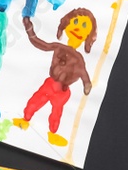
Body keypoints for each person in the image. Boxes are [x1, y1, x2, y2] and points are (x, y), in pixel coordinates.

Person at [13, 8, 97, 146]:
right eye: (75, 22)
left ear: (88, 35)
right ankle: (25, 119)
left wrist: (87, 85)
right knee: (35, 102)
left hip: (62, 92)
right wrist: (30, 29)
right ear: (67, 24)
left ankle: (52, 133)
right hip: (49, 84)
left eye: (83, 26)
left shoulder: (79, 59)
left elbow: (83, 74)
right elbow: (40, 44)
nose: (77, 27)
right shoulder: (58, 47)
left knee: (56, 113)